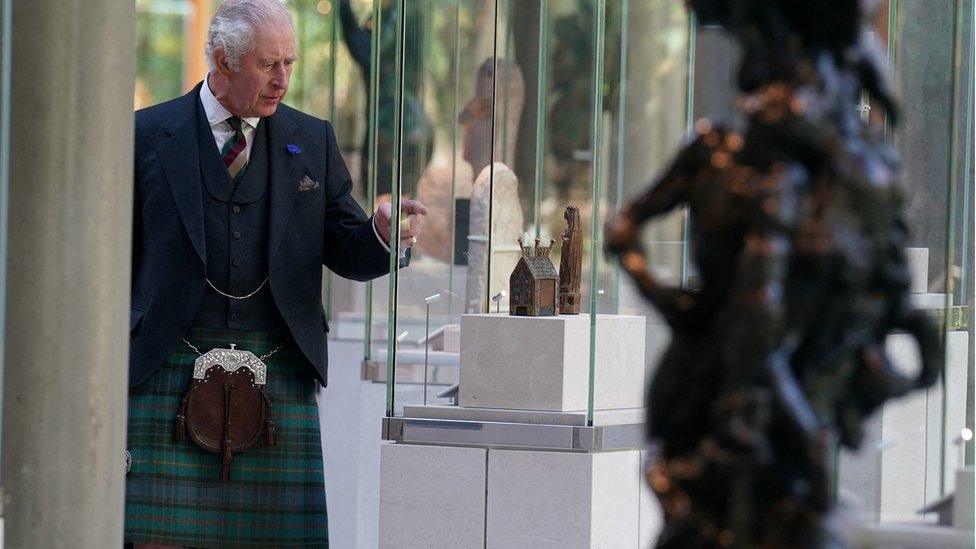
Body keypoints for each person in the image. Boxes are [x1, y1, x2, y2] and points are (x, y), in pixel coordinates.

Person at [125, 1, 426, 546]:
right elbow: (115, 257)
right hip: (164, 363)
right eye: (268, 65)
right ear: (222, 58)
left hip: (277, 364)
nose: (283, 79)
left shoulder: (310, 140)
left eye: (289, 62)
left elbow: (347, 248)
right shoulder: (148, 134)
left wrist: (381, 235)